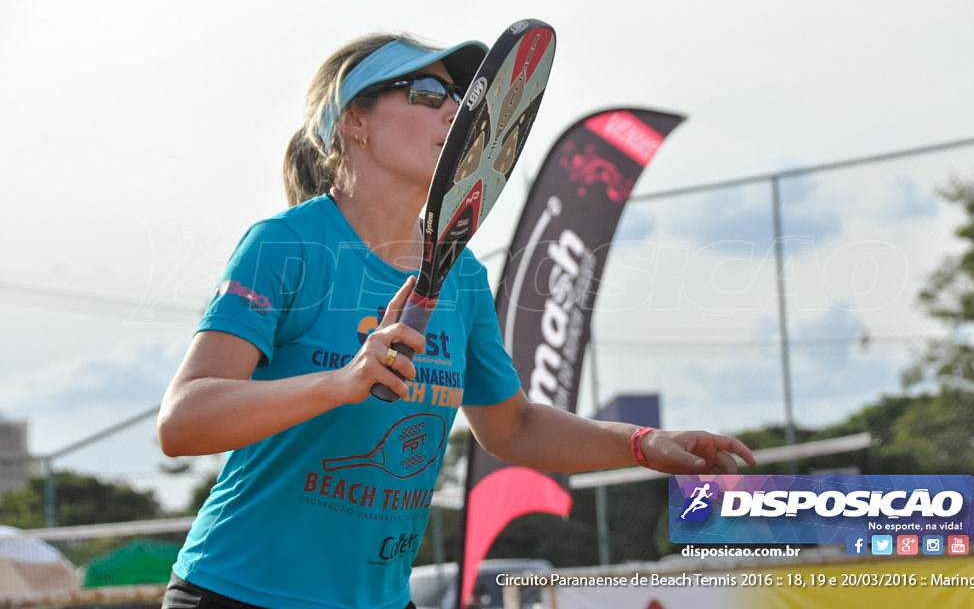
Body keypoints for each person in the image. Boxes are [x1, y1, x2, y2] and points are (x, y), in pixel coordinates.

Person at [157, 31, 756, 609]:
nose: (455, 111)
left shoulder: (461, 276)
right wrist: (342, 382)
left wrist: (644, 444)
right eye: (426, 92)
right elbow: (182, 423)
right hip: (237, 594)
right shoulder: (285, 246)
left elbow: (513, 428)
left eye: (460, 97)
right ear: (353, 121)